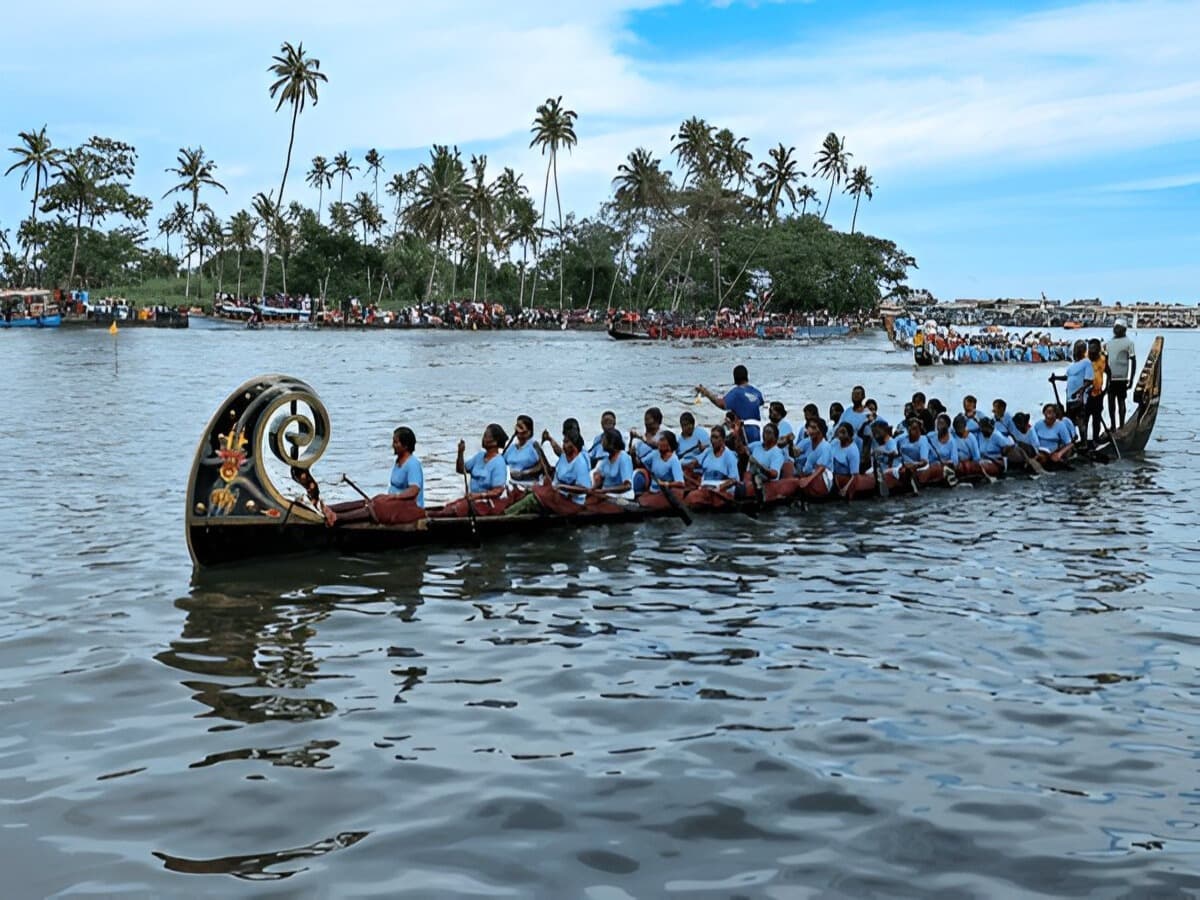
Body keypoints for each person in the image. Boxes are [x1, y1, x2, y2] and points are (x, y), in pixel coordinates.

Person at [432, 423, 510, 518]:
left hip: (487, 503)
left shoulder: (499, 462)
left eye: (486, 436)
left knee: (456, 509)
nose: (483, 439)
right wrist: (460, 453)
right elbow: (461, 469)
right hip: (473, 500)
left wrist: (479, 495)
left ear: (495, 442)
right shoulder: (479, 456)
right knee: (449, 506)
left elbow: (498, 491)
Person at [695, 365, 765, 441]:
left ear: (735, 378)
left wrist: (706, 393)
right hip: (759, 430)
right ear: (747, 376)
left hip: (745, 430)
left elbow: (721, 404)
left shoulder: (736, 392)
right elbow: (759, 404)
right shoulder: (757, 392)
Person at [684, 425, 742, 507]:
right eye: (712, 437)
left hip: (720, 491)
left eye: (716, 437)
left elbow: (734, 480)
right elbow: (694, 464)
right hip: (705, 486)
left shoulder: (729, 456)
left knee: (692, 497)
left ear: (723, 439)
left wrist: (718, 488)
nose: (713, 440)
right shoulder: (708, 451)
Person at [588, 428, 635, 512]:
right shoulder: (605, 460)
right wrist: (593, 488)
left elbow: (627, 486)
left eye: (604, 440)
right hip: (606, 494)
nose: (602, 443)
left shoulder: (624, 457)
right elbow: (599, 476)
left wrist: (605, 490)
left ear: (611, 442)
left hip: (621, 496)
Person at [639, 430, 687, 510]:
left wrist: (665, 484)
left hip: (664, 494)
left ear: (669, 444)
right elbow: (641, 462)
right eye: (659, 440)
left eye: (662, 440)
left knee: (643, 503)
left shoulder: (674, 460)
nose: (659, 442)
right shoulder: (655, 453)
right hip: (652, 491)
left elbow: (681, 483)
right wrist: (633, 454)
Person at [1050, 339, 1092, 427]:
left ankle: (1083, 436)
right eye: (1076, 349)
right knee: (1070, 423)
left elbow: (1089, 381)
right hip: (1070, 398)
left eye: (1080, 349)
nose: (1077, 351)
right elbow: (1066, 377)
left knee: (1081, 423)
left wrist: (1081, 391)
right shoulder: (1072, 366)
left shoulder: (1087, 363)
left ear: (1084, 351)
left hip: (1080, 399)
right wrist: (1055, 378)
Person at [1106, 320, 1136, 428]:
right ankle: (1115, 426)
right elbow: (1106, 364)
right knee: (1114, 402)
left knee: (1119, 402)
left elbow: (1133, 361)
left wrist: (1131, 379)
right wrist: (1106, 381)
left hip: (1120, 378)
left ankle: (1119, 425)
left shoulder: (1128, 343)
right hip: (1114, 378)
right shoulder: (1109, 343)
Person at [504, 415, 542, 496]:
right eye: (517, 427)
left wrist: (524, 473)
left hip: (528, 484)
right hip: (511, 483)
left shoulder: (534, 446)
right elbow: (502, 463)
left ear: (529, 432)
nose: (518, 431)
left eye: (521, 427)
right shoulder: (511, 447)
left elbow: (542, 466)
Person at [797, 418, 834, 499]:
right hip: (807, 474)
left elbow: (821, 468)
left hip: (822, 478)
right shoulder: (807, 441)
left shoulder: (825, 446)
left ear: (821, 431)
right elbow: (795, 453)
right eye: (809, 427)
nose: (810, 431)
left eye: (814, 428)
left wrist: (807, 480)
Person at [1084, 338, 1107, 447]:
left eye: (1094, 351)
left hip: (1098, 395)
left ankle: (1095, 439)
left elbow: (1109, 373)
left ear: (1098, 350)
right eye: (1090, 350)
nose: (1092, 353)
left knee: (1096, 419)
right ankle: (1084, 441)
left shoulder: (1102, 360)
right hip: (1086, 395)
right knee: (1085, 419)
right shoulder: (1084, 360)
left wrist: (1106, 390)